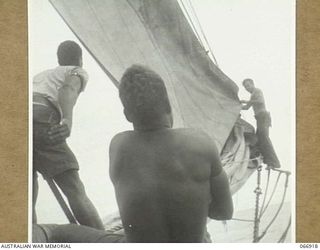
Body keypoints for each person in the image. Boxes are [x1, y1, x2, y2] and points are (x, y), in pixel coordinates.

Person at [32, 65, 233, 243]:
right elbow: (224, 211)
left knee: (56, 232)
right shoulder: (201, 142)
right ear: (168, 106)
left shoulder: (119, 145)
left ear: (127, 115)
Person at [32, 40, 104, 230]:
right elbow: (68, 88)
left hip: (15, 120)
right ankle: (105, 242)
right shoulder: (76, 71)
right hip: (40, 117)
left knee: (26, 195)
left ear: (58, 60)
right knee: (74, 189)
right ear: (80, 60)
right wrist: (67, 120)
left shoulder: (41, 76)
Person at [240, 78, 281, 169]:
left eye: (248, 85)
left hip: (263, 117)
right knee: (259, 139)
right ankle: (267, 161)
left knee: (264, 138)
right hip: (259, 119)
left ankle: (275, 162)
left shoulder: (257, 91)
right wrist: (237, 105)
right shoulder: (252, 96)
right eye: (245, 87)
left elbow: (260, 101)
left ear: (252, 84)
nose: (247, 88)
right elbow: (246, 107)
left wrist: (246, 101)